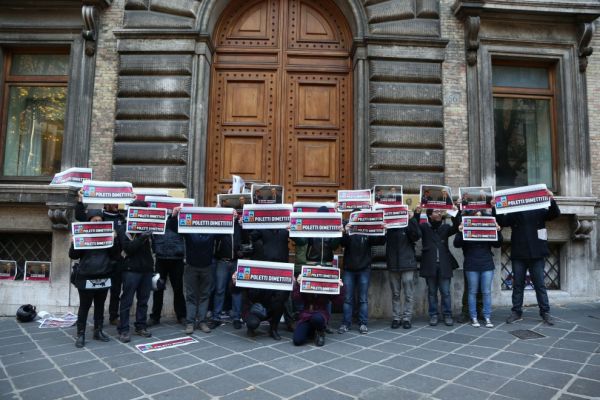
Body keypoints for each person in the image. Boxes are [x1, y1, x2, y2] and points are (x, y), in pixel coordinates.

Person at [495, 190, 560, 325]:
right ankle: (516, 312)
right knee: (517, 285)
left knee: (540, 285)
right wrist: (495, 206)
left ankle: (545, 312)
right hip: (519, 254)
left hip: (537, 254)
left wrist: (551, 199)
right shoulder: (514, 211)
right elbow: (502, 221)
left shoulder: (540, 209)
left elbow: (554, 214)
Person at [69, 209, 120, 348]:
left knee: (100, 305)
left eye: (100, 220)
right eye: (94, 220)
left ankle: (98, 331)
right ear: (89, 221)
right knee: (84, 307)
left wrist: (115, 239)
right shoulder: (82, 234)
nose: (97, 222)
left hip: (103, 274)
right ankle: (81, 334)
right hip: (86, 276)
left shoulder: (108, 235)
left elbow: (115, 255)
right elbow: (73, 255)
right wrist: (74, 242)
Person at [75, 190, 126, 326]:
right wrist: (80, 201)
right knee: (93, 299)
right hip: (99, 263)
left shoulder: (121, 218)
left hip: (116, 259)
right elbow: (80, 217)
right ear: (105, 203)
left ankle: (113, 316)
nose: (114, 204)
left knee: (115, 290)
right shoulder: (100, 216)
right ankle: (88, 328)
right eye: (111, 202)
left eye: (116, 202)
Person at [170, 206, 216, 334]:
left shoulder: (214, 229)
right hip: (191, 267)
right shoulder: (188, 229)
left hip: (206, 267)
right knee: (191, 296)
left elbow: (226, 230)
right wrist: (174, 216)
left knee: (205, 295)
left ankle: (202, 322)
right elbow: (174, 228)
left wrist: (230, 218)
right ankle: (190, 322)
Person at [454, 212, 503, 328]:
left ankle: (487, 317)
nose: (478, 218)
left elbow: (497, 244)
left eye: (481, 216)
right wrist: (460, 231)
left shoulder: (488, 228)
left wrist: (498, 230)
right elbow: (456, 244)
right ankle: (473, 317)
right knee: (472, 291)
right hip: (471, 263)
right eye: (476, 215)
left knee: (486, 292)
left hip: (486, 263)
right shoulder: (466, 227)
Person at [337, 217, 385, 335]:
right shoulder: (349, 230)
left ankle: (363, 323)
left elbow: (379, 241)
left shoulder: (366, 229)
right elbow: (342, 243)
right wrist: (344, 232)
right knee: (348, 298)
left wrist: (384, 231)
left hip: (364, 269)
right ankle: (346, 323)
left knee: (363, 299)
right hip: (349, 269)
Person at [414, 207, 461, 326]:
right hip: (430, 264)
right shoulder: (424, 227)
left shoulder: (445, 227)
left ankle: (447, 315)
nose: (439, 213)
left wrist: (454, 212)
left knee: (446, 292)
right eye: (436, 211)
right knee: (432, 292)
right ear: (429, 215)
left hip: (444, 264)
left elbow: (456, 227)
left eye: (440, 211)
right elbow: (415, 231)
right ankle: (433, 315)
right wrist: (417, 213)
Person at [116, 199, 154, 343]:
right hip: (130, 270)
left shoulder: (150, 228)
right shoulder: (125, 228)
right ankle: (124, 329)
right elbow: (128, 249)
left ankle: (141, 325)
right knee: (127, 301)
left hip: (146, 269)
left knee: (143, 301)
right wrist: (142, 237)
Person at [248, 228, 291, 339]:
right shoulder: (263, 229)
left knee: (280, 300)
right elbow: (251, 236)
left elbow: (301, 240)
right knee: (261, 297)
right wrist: (248, 224)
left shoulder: (285, 230)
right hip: (265, 269)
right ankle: (253, 322)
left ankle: (274, 328)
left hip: (282, 270)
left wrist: (293, 229)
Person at [148, 213, 186, 326]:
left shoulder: (179, 219)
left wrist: (173, 216)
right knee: (158, 289)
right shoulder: (157, 219)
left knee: (178, 289)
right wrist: (155, 249)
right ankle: (155, 316)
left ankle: (181, 316)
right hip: (161, 258)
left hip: (177, 259)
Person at [385, 213, 421, 329]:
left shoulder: (407, 224)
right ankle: (396, 317)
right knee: (395, 294)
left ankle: (407, 318)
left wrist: (412, 219)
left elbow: (417, 235)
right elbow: (379, 240)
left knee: (408, 294)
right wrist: (382, 229)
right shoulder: (389, 226)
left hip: (407, 264)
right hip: (393, 264)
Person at [292, 275, 344, 347]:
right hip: (306, 315)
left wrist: (340, 288)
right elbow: (296, 298)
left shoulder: (326, 286)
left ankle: (320, 332)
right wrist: (298, 285)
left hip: (320, 314)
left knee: (316, 318)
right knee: (297, 341)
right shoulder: (306, 283)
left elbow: (338, 302)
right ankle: (312, 330)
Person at [212, 215, 243, 329]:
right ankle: (216, 317)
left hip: (236, 262)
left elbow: (246, 239)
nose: (233, 214)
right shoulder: (221, 226)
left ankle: (236, 318)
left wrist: (241, 225)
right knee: (219, 289)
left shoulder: (239, 226)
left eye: (235, 212)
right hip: (222, 262)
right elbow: (214, 236)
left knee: (237, 289)